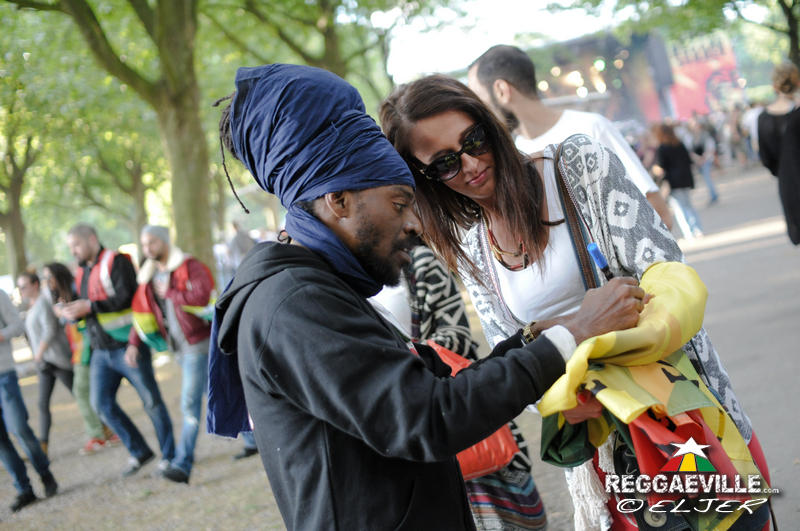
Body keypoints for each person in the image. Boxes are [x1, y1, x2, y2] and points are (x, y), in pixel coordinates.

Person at [207, 63, 646, 531]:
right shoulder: (294, 304)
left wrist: (532, 340)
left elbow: (431, 392)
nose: (415, 225)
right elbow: (429, 418)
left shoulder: (313, 289)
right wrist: (570, 334)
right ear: (338, 201)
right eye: (399, 204)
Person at [380, 74, 770, 530]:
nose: (470, 164)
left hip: (681, 421)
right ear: (425, 179)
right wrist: (559, 398)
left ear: (491, 124)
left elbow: (666, 272)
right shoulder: (475, 249)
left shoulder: (579, 167)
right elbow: (514, 359)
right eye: (445, 162)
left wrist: (595, 349)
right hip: (607, 456)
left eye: (475, 140)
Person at [467, 44, 673, 230]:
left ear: (502, 90)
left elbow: (657, 212)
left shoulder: (590, 128)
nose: (478, 112)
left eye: (479, 99)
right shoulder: (513, 156)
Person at [60, 223, 175, 477]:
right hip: (101, 351)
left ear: (92, 239)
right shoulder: (83, 271)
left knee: (152, 402)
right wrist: (72, 312)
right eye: (71, 248)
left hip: (128, 347)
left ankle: (170, 457)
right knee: (101, 405)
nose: (74, 251)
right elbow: (89, 308)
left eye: (76, 245)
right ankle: (140, 451)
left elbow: (128, 299)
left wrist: (89, 307)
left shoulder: (118, 261)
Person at [127, 225, 214, 484]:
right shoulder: (149, 276)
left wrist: (172, 293)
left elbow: (202, 294)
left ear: (165, 241)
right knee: (212, 393)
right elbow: (141, 313)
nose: (147, 249)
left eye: (152, 243)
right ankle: (253, 438)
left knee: (189, 403)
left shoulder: (189, 266)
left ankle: (182, 463)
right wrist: (133, 343)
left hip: (197, 344)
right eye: (144, 245)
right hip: (177, 347)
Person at [43, 262, 118, 455]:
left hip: (88, 347)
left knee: (82, 392)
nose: (47, 281)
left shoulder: (76, 289)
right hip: (78, 349)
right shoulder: (58, 297)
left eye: (49, 277)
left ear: (59, 276)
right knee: (95, 393)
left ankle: (97, 435)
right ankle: (109, 430)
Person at [0, 288, 58, 511]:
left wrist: (1, 335)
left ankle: (46, 474)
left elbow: (17, 325)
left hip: (4, 374)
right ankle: (24, 489)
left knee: (19, 428)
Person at [16, 271, 74, 456]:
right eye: (19, 287)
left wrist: (38, 353)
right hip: (44, 364)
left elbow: (49, 330)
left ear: (35, 284)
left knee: (79, 394)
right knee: (42, 404)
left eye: (24, 286)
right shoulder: (31, 306)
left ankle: (105, 425)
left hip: (55, 359)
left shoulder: (43, 303)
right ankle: (43, 445)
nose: (21, 290)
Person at [757, 62, 800, 245]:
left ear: (774, 85)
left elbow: (767, 158)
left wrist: (783, 170)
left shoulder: (764, 119)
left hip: (788, 182)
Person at [652, 123, 704, 238]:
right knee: (689, 205)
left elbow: (660, 167)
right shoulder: (679, 144)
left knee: (680, 208)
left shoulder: (662, 148)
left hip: (673, 182)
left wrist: (654, 170)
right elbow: (689, 160)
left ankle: (689, 232)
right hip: (686, 178)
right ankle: (697, 229)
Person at [687, 116, 720, 205]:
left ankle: (714, 196)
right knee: (706, 179)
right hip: (698, 161)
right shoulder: (691, 137)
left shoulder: (705, 135)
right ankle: (713, 195)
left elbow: (710, 148)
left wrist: (704, 158)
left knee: (708, 178)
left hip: (706, 160)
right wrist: (697, 159)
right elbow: (690, 150)